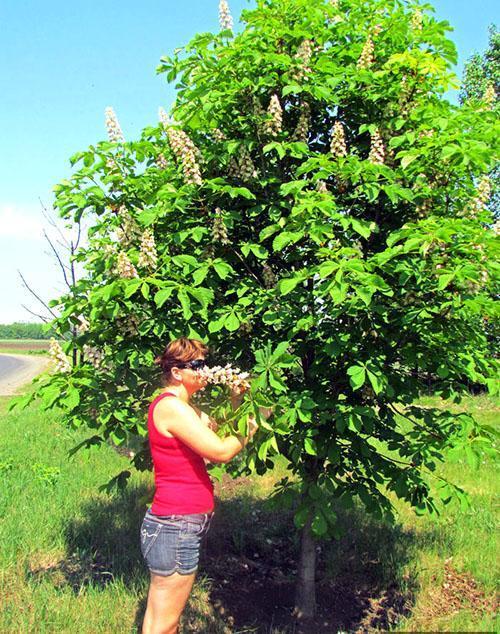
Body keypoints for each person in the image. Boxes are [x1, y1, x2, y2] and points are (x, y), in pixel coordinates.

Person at [141, 337, 258, 634]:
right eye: (198, 365)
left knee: (163, 620)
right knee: (164, 624)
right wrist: (250, 431)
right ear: (177, 372)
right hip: (175, 523)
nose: (205, 370)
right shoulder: (171, 407)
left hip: (177, 523)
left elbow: (218, 428)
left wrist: (236, 398)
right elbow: (219, 451)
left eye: (206, 364)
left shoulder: (184, 408)